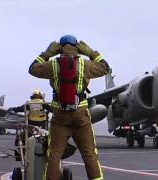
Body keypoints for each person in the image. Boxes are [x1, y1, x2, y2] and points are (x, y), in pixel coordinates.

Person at [29, 34, 110, 180]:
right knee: (89, 154)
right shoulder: (85, 64)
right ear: (77, 47)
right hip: (81, 115)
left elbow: (33, 69)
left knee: (54, 155)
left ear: (59, 48)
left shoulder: (52, 65)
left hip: (60, 116)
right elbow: (105, 68)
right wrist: (90, 52)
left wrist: (47, 54)